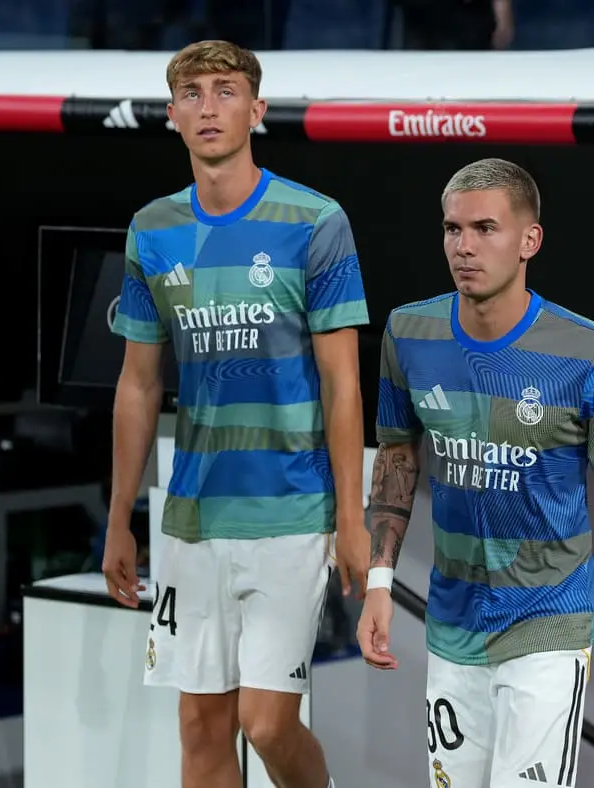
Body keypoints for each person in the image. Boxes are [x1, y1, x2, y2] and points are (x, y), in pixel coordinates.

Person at [355, 157, 594, 787]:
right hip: (452, 623)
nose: (464, 247)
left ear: (530, 240)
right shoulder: (408, 332)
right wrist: (379, 581)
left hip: (548, 622)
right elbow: (396, 456)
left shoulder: (589, 352)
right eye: (452, 229)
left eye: (484, 229)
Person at [104, 40, 370, 788]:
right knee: (200, 727)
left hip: (290, 513)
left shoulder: (314, 221)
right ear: (172, 115)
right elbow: (137, 385)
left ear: (256, 110)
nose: (208, 106)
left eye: (225, 90)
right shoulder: (152, 229)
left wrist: (352, 518)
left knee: (267, 723)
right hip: (192, 518)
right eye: (192, 93)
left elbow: (343, 384)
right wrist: (120, 516)